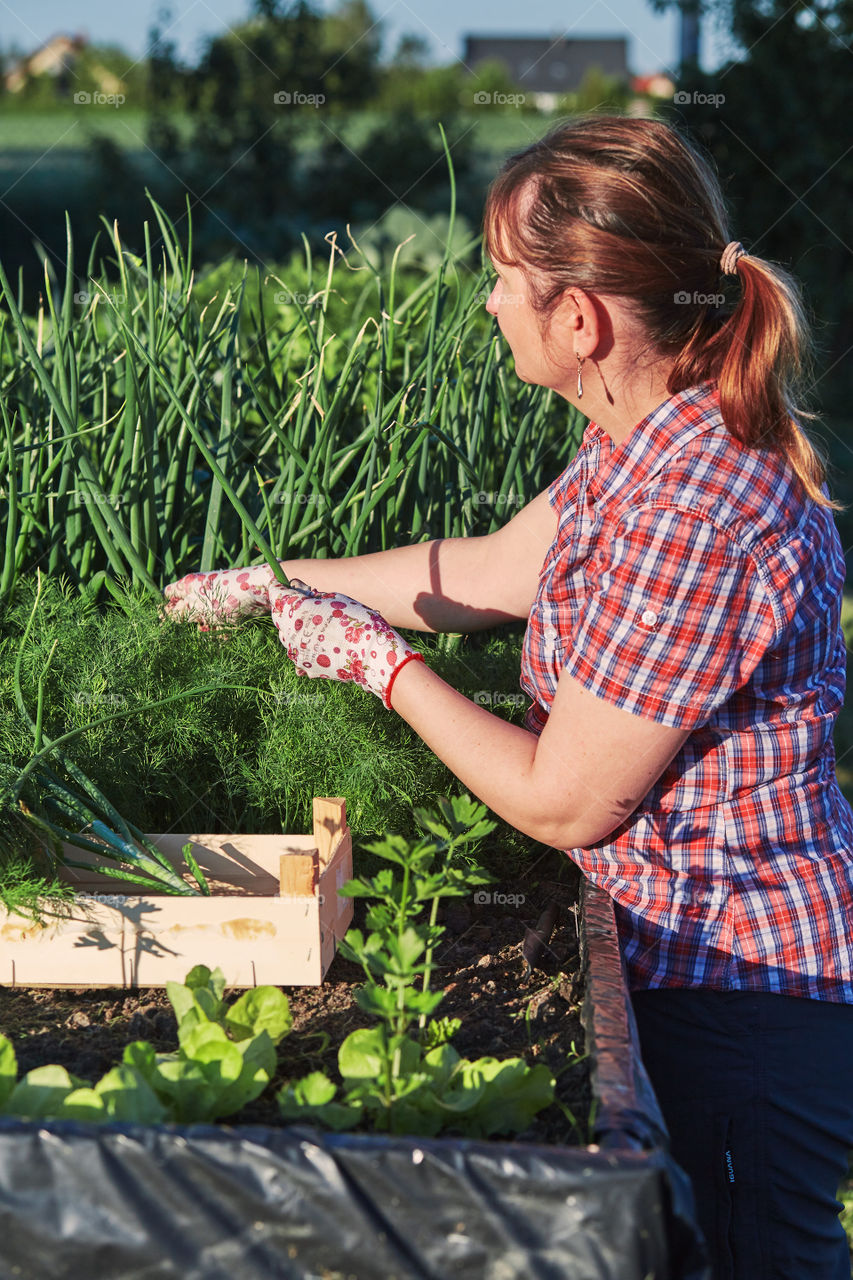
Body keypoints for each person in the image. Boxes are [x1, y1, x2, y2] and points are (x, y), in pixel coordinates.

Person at [163, 115, 853, 1279]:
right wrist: (274, 584)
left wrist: (380, 667)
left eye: (502, 280)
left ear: (577, 318)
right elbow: (487, 572)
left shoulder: (698, 503)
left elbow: (565, 799)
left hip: (741, 987)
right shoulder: (636, 441)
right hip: (671, 961)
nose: (488, 304)